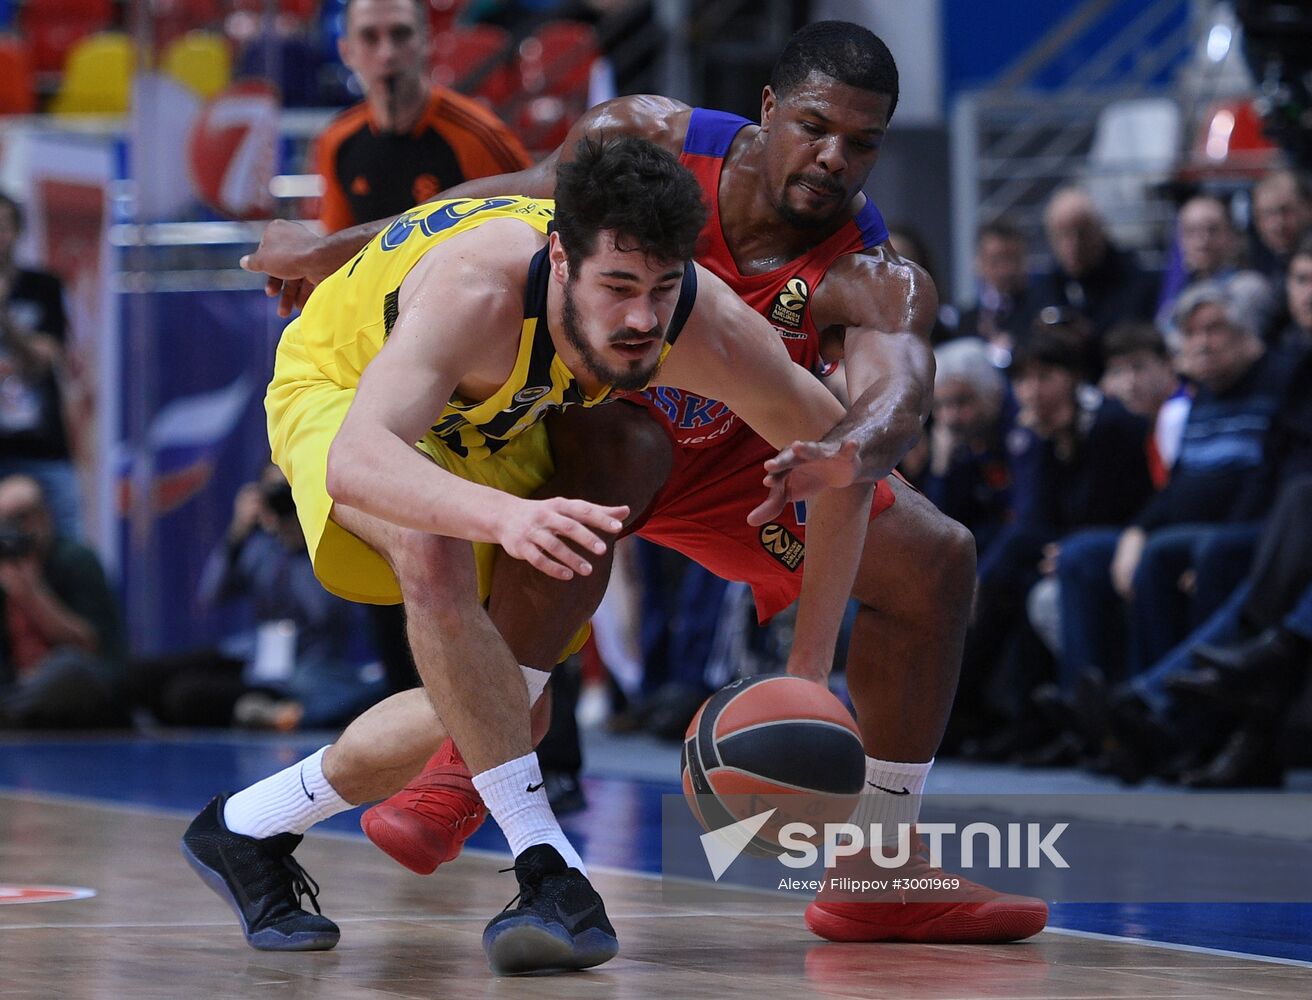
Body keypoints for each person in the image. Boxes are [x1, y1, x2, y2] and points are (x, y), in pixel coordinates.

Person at [240, 21, 1049, 945]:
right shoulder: (650, 138)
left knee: (938, 559)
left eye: (862, 144)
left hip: (754, 457)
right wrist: (334, 247)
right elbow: (501, 201)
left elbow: (897, 397)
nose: (835, 159)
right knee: (617, 449)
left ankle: (877, 860)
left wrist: (840, 498)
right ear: (769, 108)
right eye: (817, 128)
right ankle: (470, 766)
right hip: (599, 418)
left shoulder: (873, 273)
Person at [181, 137, 877, 974]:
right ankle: (548, 866)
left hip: (480, 428)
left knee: (499, 699)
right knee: (431, 549)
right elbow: (359, 460)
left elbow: (845, 463)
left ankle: (246, 826)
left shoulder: (695, 317)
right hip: (345, 395)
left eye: (660, 289)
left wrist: (810, 666)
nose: (641, 319)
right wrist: (506, 518)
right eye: (616, 287)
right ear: (560, 254)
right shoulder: (477, 288)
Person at [128, 464, 384, 730]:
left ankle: (270, 713)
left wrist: (304, 536)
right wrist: (237, 533)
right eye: (274, 493)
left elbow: (323, 611)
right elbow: (211, 594)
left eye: (290, 491)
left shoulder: (331, 545)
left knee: (185, 694)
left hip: (305, 671)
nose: (283, 501)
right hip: (255, 657)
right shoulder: (263, 546)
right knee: (143, 677)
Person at [315, 0, 531, 234]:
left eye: (401, 34)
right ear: (346, 51)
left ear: (426, 41)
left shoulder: (480, 134)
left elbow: (534, 228)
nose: (387, 53)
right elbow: (336, 247)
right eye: (369, 37)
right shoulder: (336, 141)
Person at [0, 475, 125, 728]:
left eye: (20, 517)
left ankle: (9, 716)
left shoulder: (76, 560)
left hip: (75, 689)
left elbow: (88, 645)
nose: (12, 530)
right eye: (3, 521)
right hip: (15, 688)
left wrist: (33, 593)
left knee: (72, 668)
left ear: (45, 515)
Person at [0, 193, 80, 539]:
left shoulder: (42, 286)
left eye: (3, 225)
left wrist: (3, 319)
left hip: (42, 447)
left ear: (17, 232)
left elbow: (42, 358)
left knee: (67, 544)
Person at [1032, 186, 1157, 356]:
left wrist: (1092, 336)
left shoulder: (1133, 278)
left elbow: (1135, 336)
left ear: (1099, 231)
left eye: (1082, 233)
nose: (1073, 245)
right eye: (1063, 234)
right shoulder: (1046, 284)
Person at [955, 218, 1036, 360]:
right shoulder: (965, 320)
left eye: (1014, 259)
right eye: (996, 261)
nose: (1006, 270)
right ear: (978, 262)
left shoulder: (1040, 313)